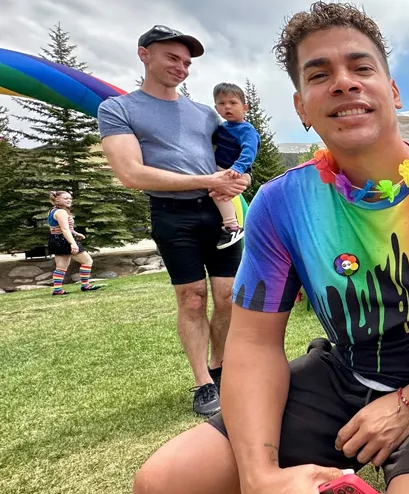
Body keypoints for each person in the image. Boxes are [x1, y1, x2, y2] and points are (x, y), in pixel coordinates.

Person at [131, 2, 409, 494]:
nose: (344, 83)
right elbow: (252, 345)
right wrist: (259, 476)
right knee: (168, 488)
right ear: (301, 105)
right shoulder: (282, 202)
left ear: (392, 89)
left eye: (361, 68)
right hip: (345, 372)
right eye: (320, 74)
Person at [99, 26, 248, 416]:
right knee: (192, 298)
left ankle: (220, 367)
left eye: (186, 62)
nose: (181, 67)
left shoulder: (205, 114)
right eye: (172, 58)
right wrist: (208, 181)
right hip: (172, 214)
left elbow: (228, 159)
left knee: (228, 296)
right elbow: (131, 174)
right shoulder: (118, 109)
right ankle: (203, 383)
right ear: (144, 54)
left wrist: (239, 176)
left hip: (217, 212)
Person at [211, 83, 260, 249]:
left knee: (218, 193)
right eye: (222, 103)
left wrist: (238, 168)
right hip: (223, 168)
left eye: (233, 103)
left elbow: (249, 151)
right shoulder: (223, 127)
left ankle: (232, 227)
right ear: (216, 108)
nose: (227, 107)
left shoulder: (246, 130)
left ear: (245, 107)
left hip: (232, 170)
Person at [45, 190, 103, 295]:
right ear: (57, 199)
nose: (69, 200)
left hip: (55, 239)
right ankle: (86, 285)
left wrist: (76, 233)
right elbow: (64, 229)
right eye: (66, 198)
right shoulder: (61, 212)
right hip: (65, 240)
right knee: (87, 261)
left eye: (70, 198)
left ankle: (57, 290)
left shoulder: (52, 211)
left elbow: (57, 228)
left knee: (61, 267)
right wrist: (73, 243)